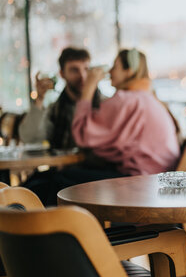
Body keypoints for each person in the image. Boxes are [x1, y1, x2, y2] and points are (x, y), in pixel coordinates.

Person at [67, 48, 180, 179]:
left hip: (141, 179)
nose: (110, 72)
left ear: (129, 72)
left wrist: (89, 86)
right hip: (157, 175)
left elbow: (83, 134)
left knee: (58, 180)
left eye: (115, 66)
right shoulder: (147, 97)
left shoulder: (125, 100)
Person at [18, 47, 105, 149]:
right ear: (62, 74)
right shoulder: (55, 111)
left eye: (86, 69)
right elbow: (29, 138)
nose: (82, 76)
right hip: (64, 164)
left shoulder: (105, 105)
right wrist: (40, 99)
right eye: (74, 70)